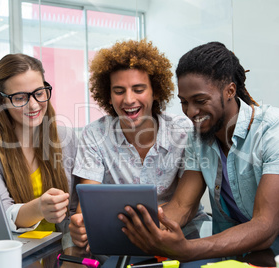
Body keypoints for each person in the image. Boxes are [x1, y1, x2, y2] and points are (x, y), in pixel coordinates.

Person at [119, 41, 279, 262]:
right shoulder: (197, 138)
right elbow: (182, 206)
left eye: (200, 100)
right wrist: (143, 231)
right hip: (234, 254)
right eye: (184, 102)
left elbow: (265, 227)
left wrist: (188, 249)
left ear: (229, 90)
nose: (191, 112)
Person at [69, 39, 208, 252]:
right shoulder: (94, 134)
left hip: (179, 238)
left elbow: (184, 207)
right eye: (118, 90)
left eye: (138, 88)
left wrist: (114, 220)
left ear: (156, 91)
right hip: (115, 241)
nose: (128, 99)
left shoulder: (184, 132)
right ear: (108, 94)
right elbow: (89, 207)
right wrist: (81, 225)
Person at [0, 53, 77, 247]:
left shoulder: (67, 137)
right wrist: (39, 208)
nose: (34, 105)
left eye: (39, 93)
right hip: (15, 252)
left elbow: (77, 208)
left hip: (62, 251)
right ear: (3, 101)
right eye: (20, 98)